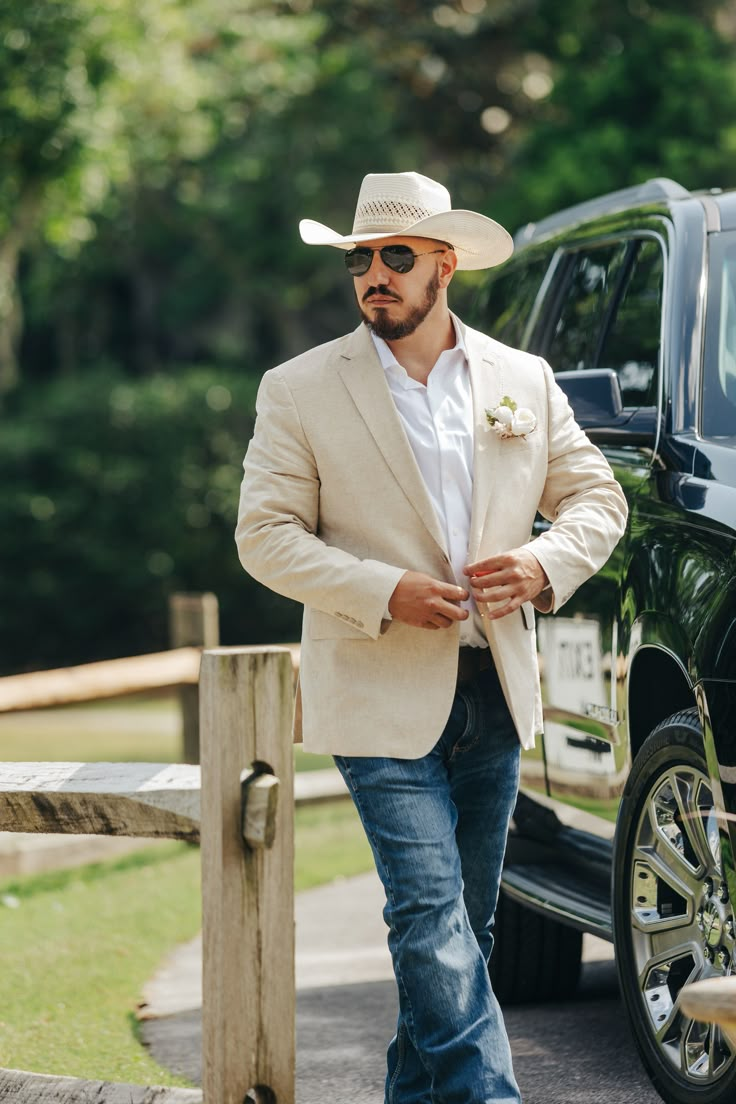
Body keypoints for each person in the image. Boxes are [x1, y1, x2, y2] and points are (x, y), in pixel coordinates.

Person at [235, 171, 627, 1104]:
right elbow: (265, 536)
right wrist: (384, 591)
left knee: (467, 927)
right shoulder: (297, 389)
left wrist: (542, 565)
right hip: (374, 690)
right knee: (429, 918)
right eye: (359, 259)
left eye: (394, 257)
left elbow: (595, 497)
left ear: (443, 266)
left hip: (495, 686)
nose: (373, 274)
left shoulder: (520, 380)